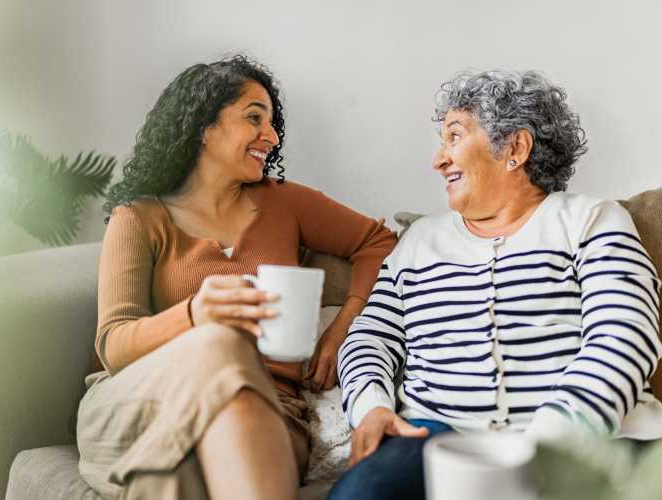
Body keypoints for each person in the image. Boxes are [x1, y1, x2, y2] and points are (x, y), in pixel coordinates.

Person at [330, 69, 662, 500]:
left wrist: (554, 437)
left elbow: (625, 334)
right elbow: (370, 338)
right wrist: (371, 406)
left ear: (515, 148)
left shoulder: (590, 219)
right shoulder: (420, 241)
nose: (438, 159)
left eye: (454, 136)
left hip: (594, 439)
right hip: (436, 439)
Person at [75, 55, 396, 500]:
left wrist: (344, 327)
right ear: (204, 127)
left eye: (272, 121)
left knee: (176, 477)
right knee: (221, 341)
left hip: (270, 407)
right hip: (146, 398)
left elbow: (380, 243)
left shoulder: (286, 204)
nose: (272, 135)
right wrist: (196, 316)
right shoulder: (139, 218)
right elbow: (114, 344)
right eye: (253, 118)